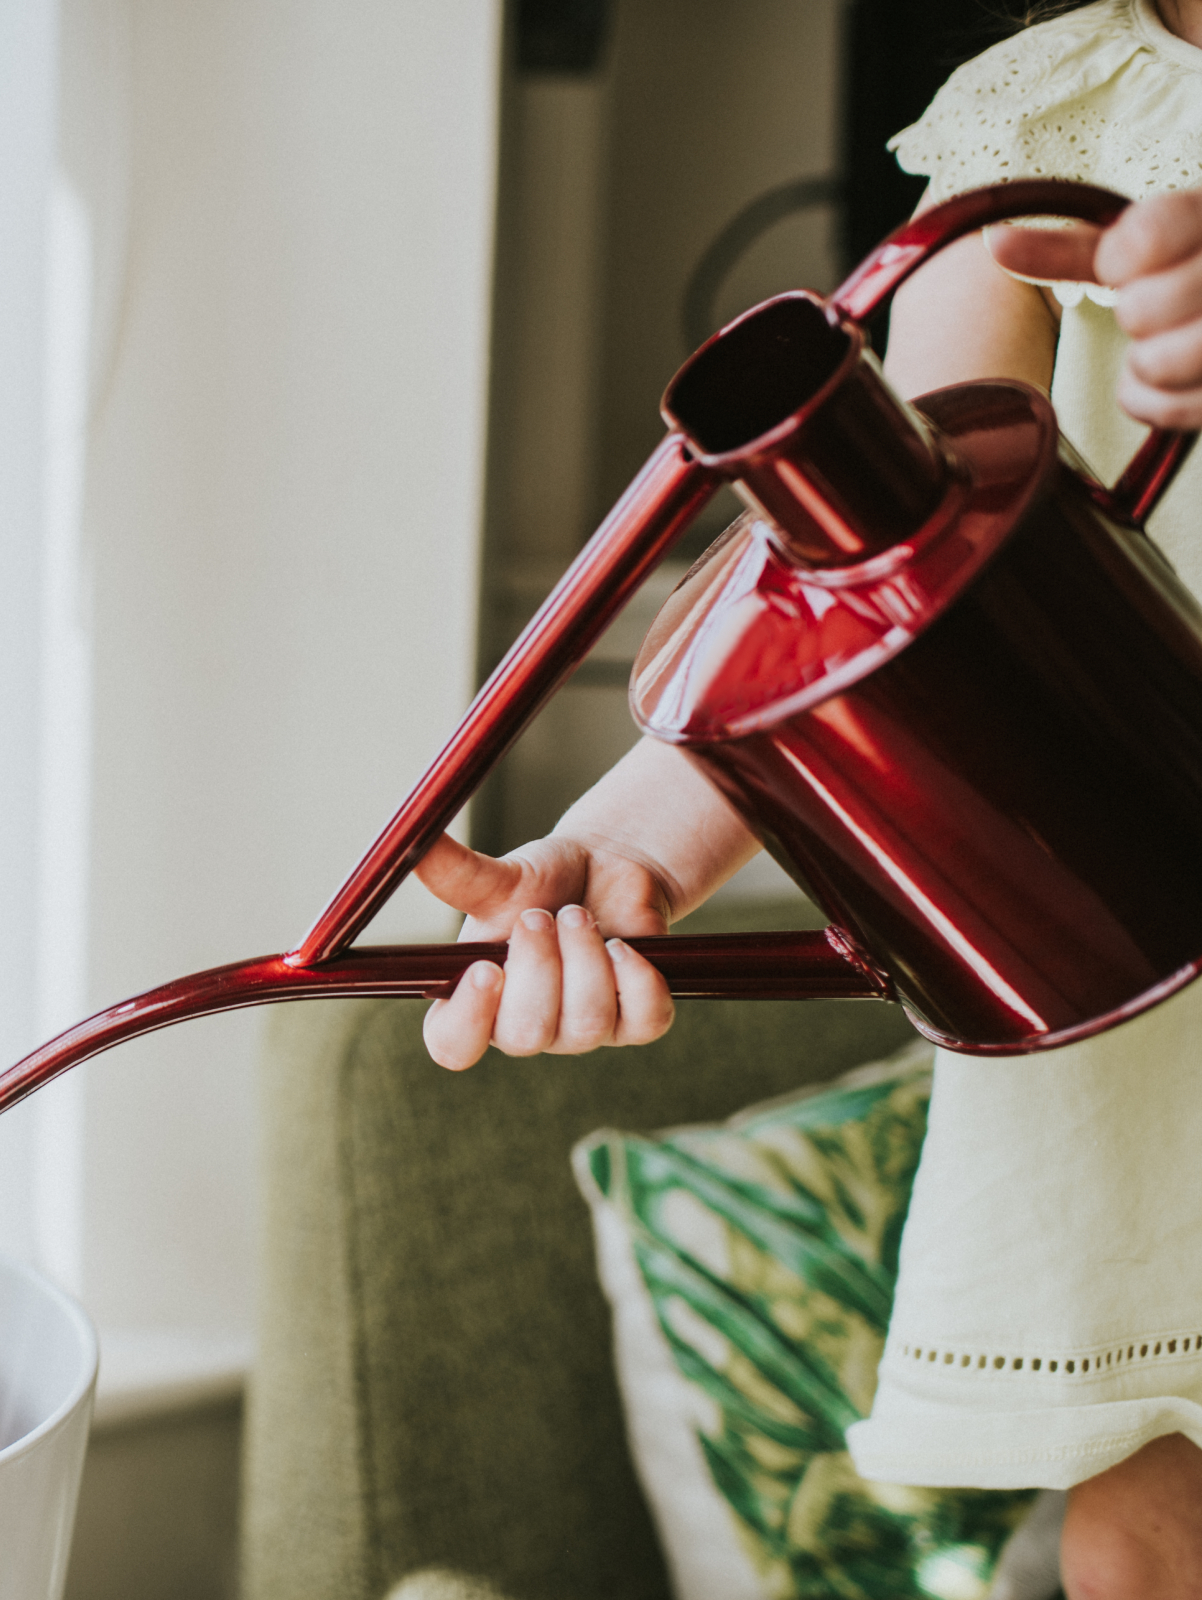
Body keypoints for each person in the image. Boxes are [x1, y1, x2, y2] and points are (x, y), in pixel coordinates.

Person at [415, 2, 1202, 1594]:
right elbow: (876, 595)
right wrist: (630, 848)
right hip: (1149, 1056)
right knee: (1153, 1523)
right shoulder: (1042, 121)